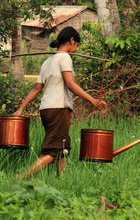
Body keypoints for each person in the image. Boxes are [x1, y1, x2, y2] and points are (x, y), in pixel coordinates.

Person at [13, 26, 106, 178]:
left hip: (46, 109)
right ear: (71, 41)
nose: (76, 49)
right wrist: (93, 100)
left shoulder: (47, 62)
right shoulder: (65, 58)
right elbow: (70, 83)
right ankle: (20, 178)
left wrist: (21, 108)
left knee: (64, 148)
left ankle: (60, 180)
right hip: (59, 108)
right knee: (53, 152)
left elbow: (37, 88)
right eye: (77, 45)